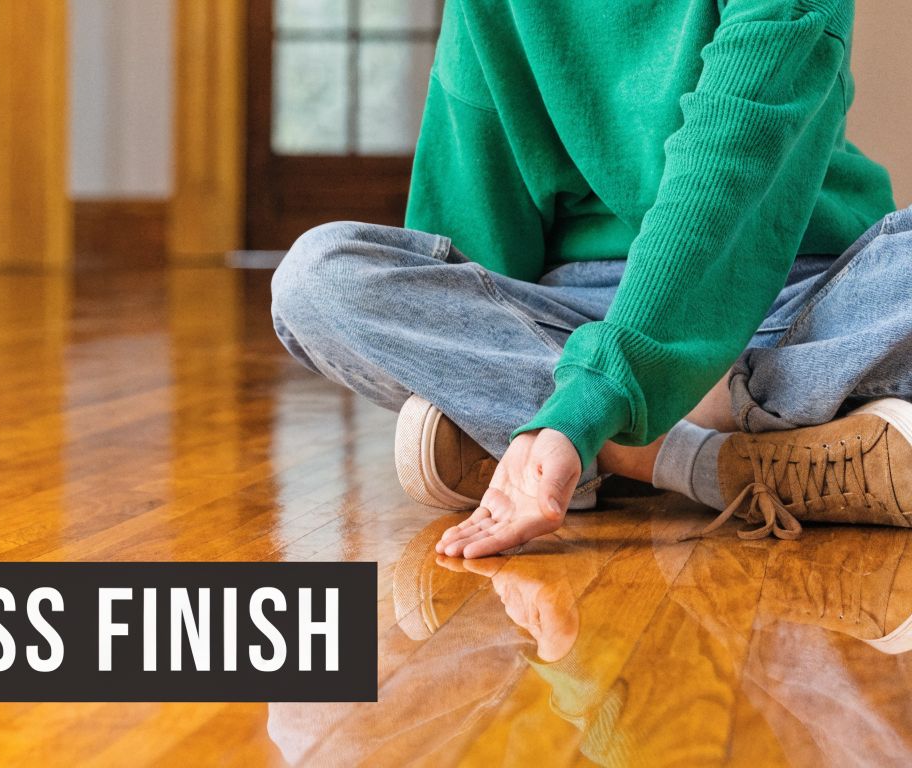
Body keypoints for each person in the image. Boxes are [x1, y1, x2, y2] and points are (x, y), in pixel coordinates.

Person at [270, 0, 912, 557]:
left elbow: (730, 164)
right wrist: (464, 343)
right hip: (584, 311)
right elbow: (475, 224)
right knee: (317, 276)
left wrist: (577, 396)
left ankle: (612, 449)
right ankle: (715, 446)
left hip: (806, 287)